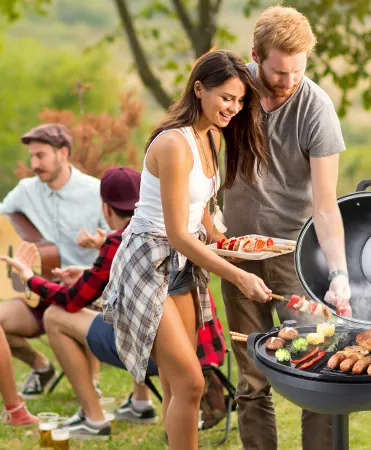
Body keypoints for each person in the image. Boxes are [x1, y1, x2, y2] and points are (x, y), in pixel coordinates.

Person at [101, 49, 272, 450]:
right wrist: (238, 275)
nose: (233, 108)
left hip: (181, 266)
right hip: (149, 262)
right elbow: (177, 234)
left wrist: (224, 240)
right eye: (225, 97)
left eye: (240, 100)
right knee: (193, 382)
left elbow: (203, 209)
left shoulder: (210, 135)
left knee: (180, 385)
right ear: (199, 89)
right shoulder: (174, 145)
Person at [220, 6, 352, 450]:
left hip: (296, 257)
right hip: (236, 255)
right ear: (255, 55)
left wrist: (338, 275)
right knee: (252, 380)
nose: (290, 80)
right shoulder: (231, 96)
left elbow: (325, 202)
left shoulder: (315, 107)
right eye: (279, 71)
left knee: (316, 371)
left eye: (299, 69)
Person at [0, 166, 151, 439]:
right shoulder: (158, 231)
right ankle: (141, 404)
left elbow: (72, 300)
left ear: (106, 209)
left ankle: (93, 419)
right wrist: (84, 271)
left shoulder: (117, 242)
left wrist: (28, 277)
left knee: (56, 316)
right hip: (185, 348)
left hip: (147, 351)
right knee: (136, 309)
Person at [0, 123, 109, 398]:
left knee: (77, 310)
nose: (34, 164)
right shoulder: (26, 190)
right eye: (32, 157)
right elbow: (2, 220)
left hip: (83, 290)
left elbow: (119, 239)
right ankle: (40, 365)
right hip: (37, 289)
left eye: (41, 156)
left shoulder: (95, 191)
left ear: (63, 153)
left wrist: (100, 241)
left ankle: (91, 383)